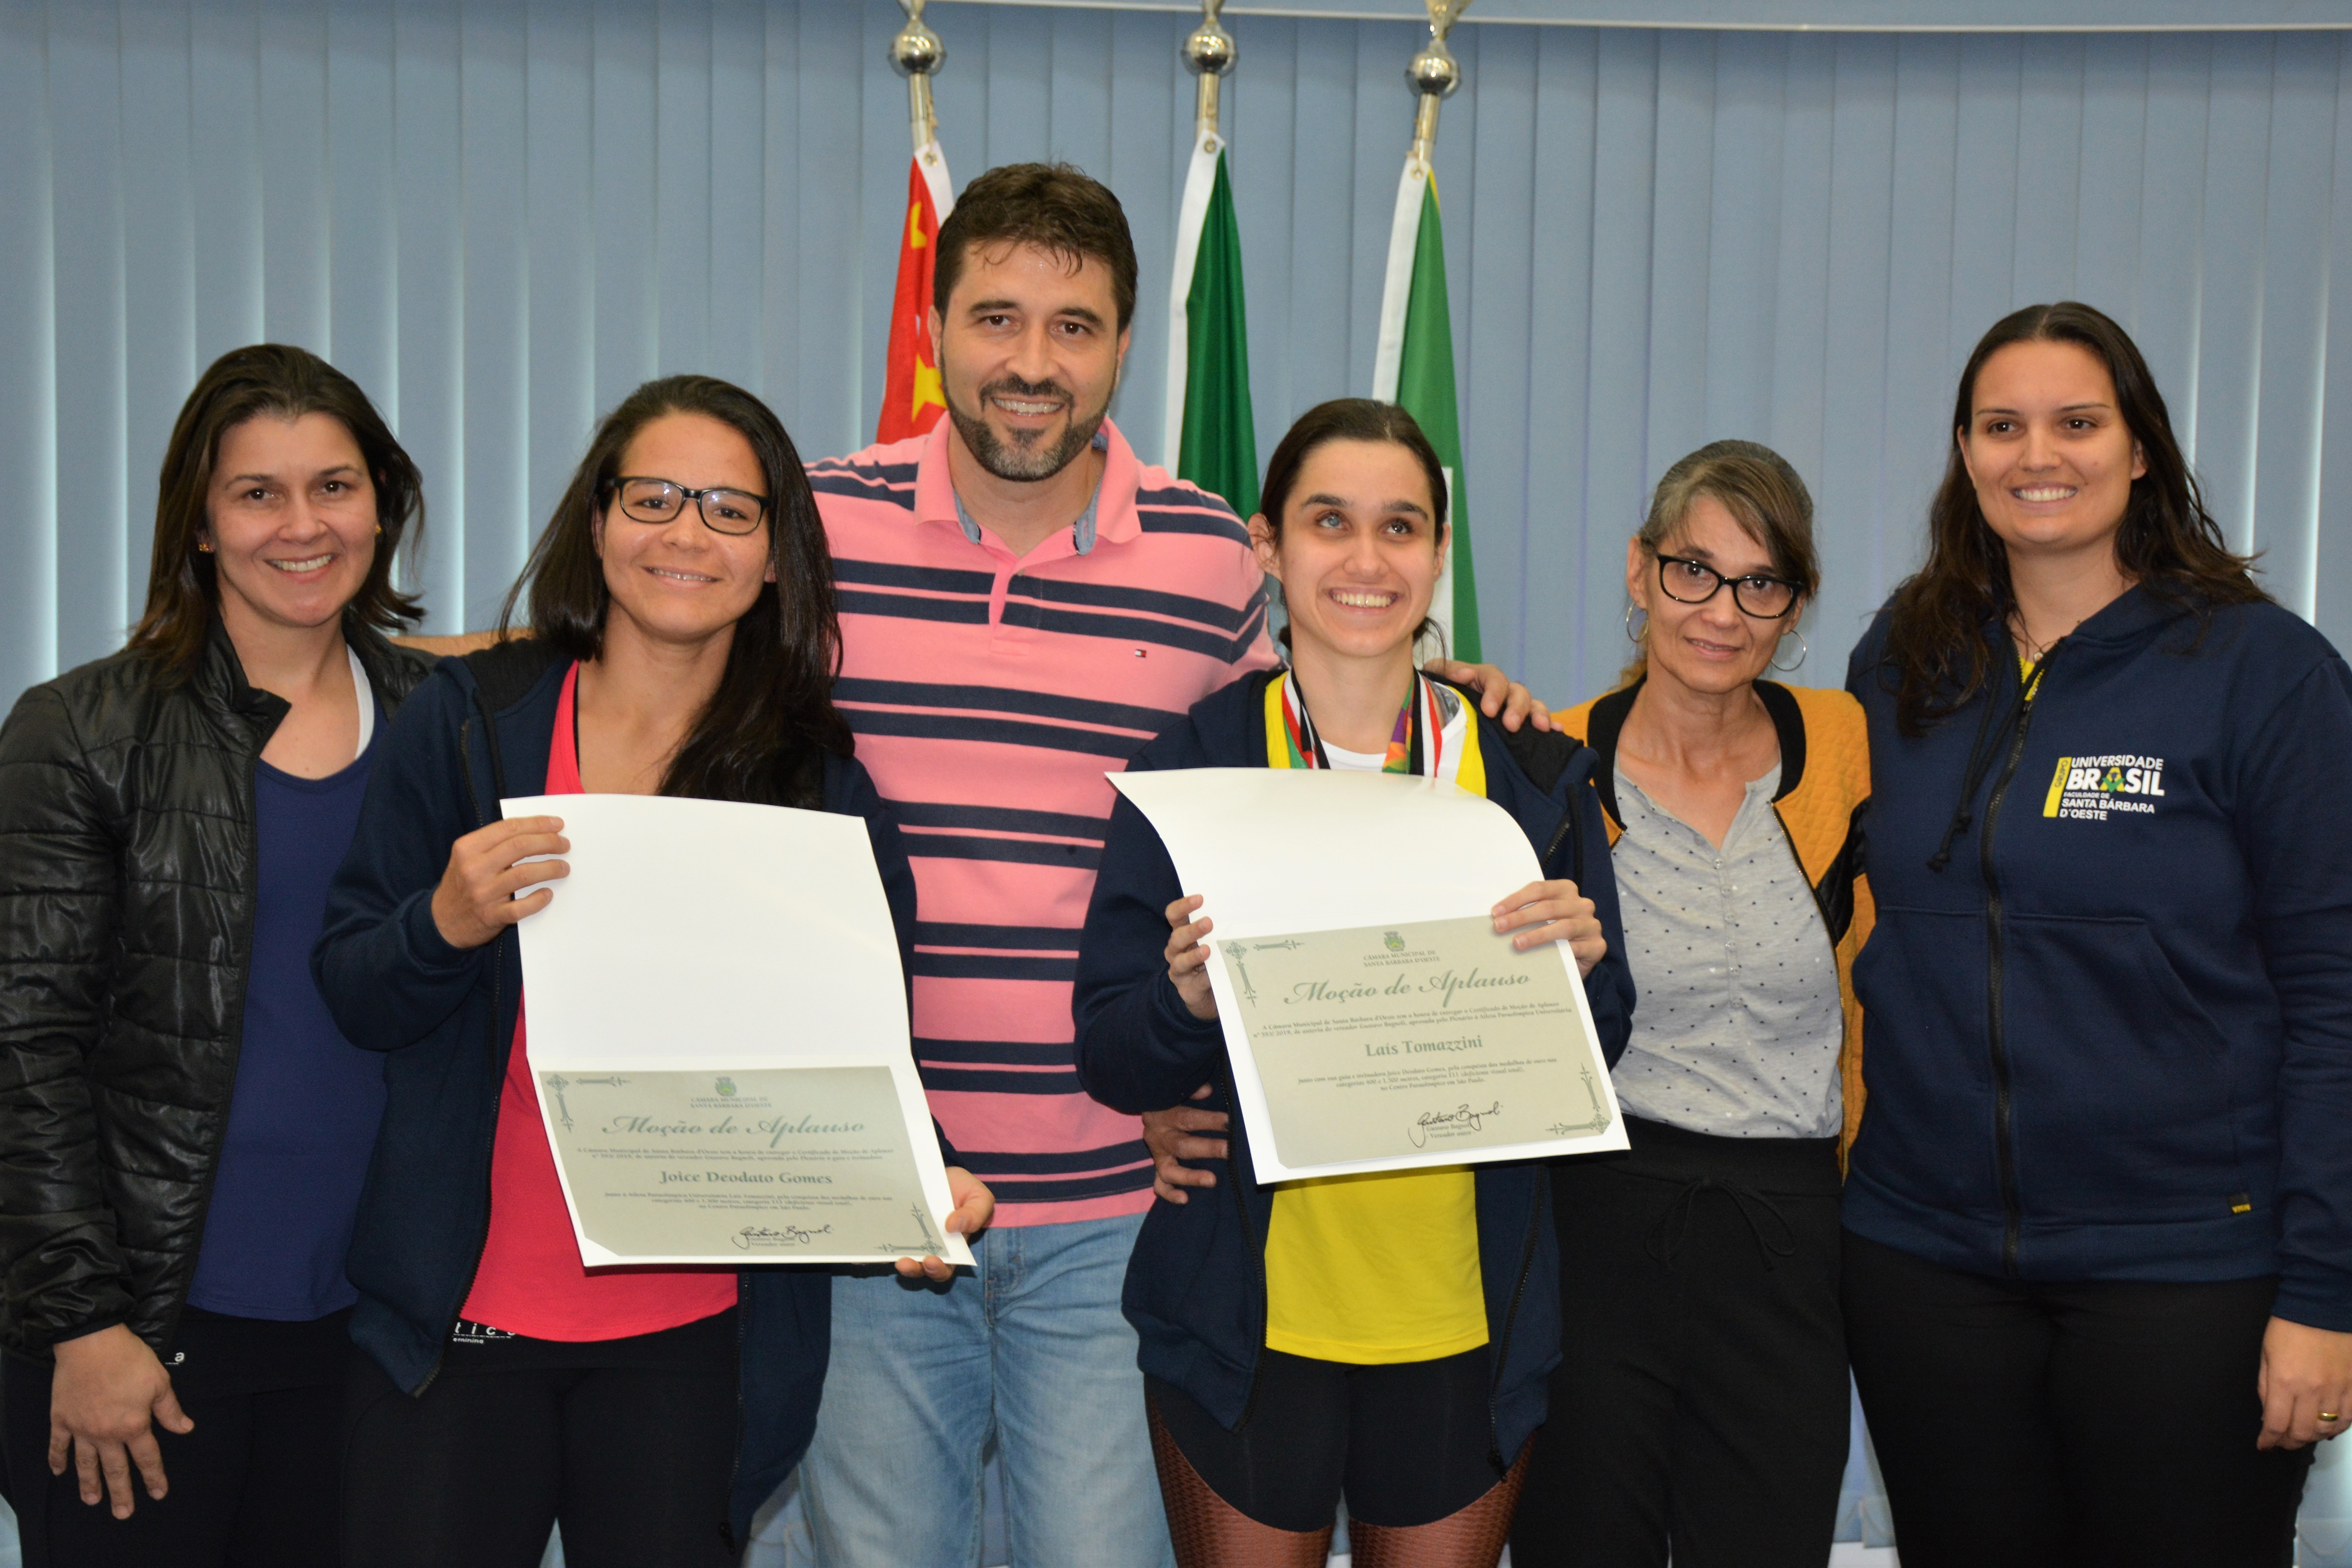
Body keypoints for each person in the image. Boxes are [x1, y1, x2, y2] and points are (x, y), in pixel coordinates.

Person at [795, 163, 1548, 1568]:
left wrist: (1471, 697)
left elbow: (1323, 773)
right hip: (874, 1195)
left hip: (1117, 1209)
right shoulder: (821, 530)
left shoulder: (1208, 554)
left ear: (1124, 344)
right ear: (938, 328)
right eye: (996, 318)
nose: (1032, 363)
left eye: (1073, 327)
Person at [312, 375, 991, 1568]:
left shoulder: (818, 793)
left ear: (778, 558)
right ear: (598, 521)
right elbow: (355, 987)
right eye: (656, 498)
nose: (687, 534)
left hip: (692, 1351)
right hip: (456, 1327)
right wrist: (445, 922)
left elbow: (869, 1060)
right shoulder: (470, 723)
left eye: (732, 511)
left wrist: (919, 1183)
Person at [1072, 397, 1637, 1567]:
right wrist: (1182, 1000)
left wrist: (1580, 973)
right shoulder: (1196, 764)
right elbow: (1109, 1048)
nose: (1368, 560)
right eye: (1331, 523)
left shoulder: (1528, 771)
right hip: (1249, 1325)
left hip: (1461, 1323)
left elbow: (1607, 1033)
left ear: (1438, 554)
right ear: (1269, 546)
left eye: (1402, 526)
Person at [1840, 301, 2352, 1566]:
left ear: (2140, 450)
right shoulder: (1905, 659)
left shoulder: (2261, 672)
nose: (2039, 456)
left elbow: (2339, 998)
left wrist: (2328, 1295)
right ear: (1965, 453)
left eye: (2078, 422)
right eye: (2002, 426)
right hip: (1926, 1265)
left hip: (2186, 1271)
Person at [0, 344, 432, 1565]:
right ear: (199, 522)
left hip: (371, 1335)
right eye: (259, 493)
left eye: (336, 487)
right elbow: (21, 1050)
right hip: (144, 1342)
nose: (303, 526)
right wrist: (81, 1329)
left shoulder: (442, 729)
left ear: (381, 505)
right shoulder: (83, 730)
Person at [1506, 441, 1871, 1567]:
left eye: (1761, 583)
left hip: (1792, 1241)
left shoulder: (1849, 748)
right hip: (1600, 1228)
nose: (1722, 610)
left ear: (1795, 603)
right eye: (1692, 570)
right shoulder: (1546, 765)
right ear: (1639, 571)